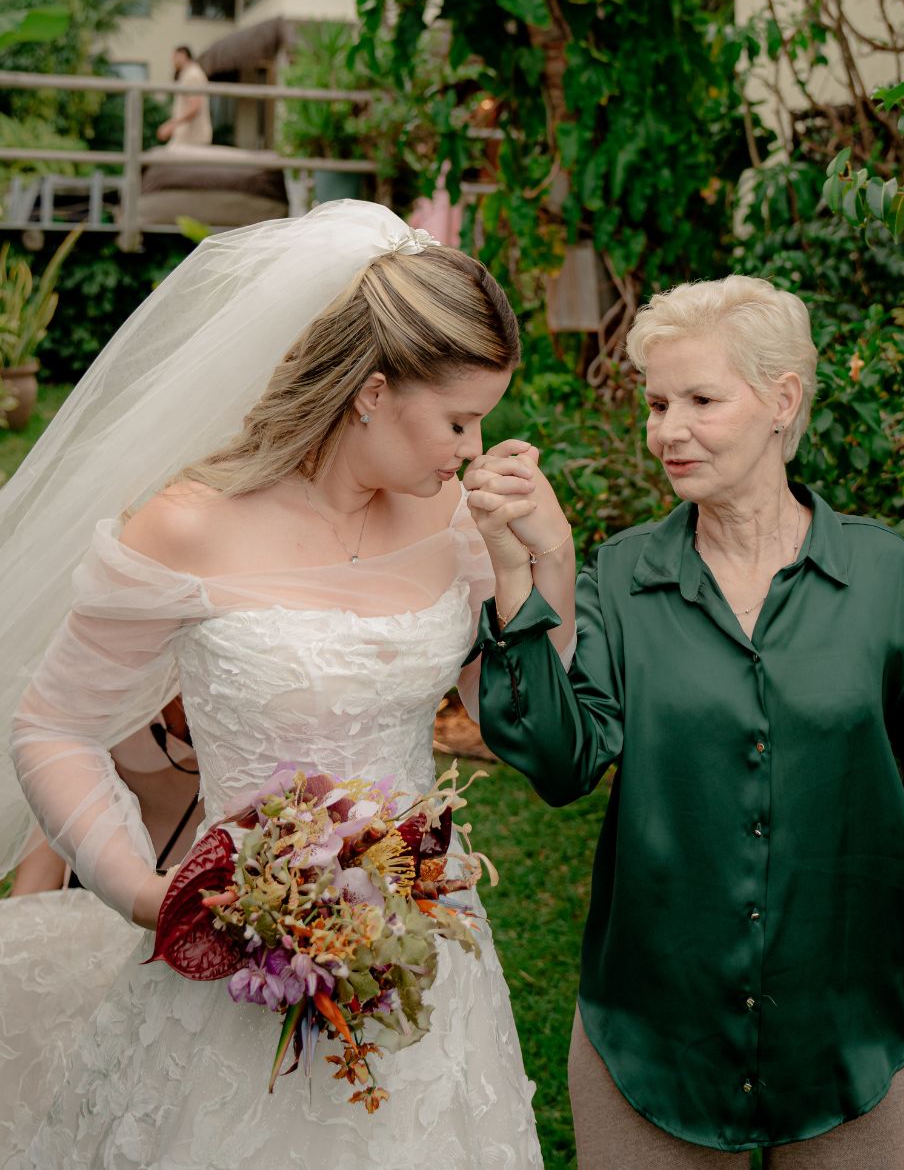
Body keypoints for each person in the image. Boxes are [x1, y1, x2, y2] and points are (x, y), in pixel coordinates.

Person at [1, 202, 575, 1167]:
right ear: (371, 392)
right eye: (459, 419)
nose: (473, 450)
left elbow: (520, 722)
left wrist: (546, 569)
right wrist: (148, 893)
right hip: (232, 953)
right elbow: (51, 726)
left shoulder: (455, 526)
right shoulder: (189, 527)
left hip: (421, 957)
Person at [465, 275, 904, 1169]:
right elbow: (560, 763)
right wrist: (527, 567)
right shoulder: (618, 576)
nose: (666, 430)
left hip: (859, 1023)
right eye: (654, 403)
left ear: (781, 401)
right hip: (654, 1032)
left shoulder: (883, 576)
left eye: (699, 400)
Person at [0, 713, 199, 1164]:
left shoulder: (249, 686)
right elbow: (59, 801)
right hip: (90, 907)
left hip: (185, 935)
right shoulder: (116, 672)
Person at [158, 42, 213, 146]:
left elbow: (195, 106)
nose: (172, 61)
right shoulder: (189, 74)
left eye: (174, 57)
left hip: (192, 138)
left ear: (182, 55)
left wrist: (171, 125)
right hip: (187, 137)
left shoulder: (193, 75)